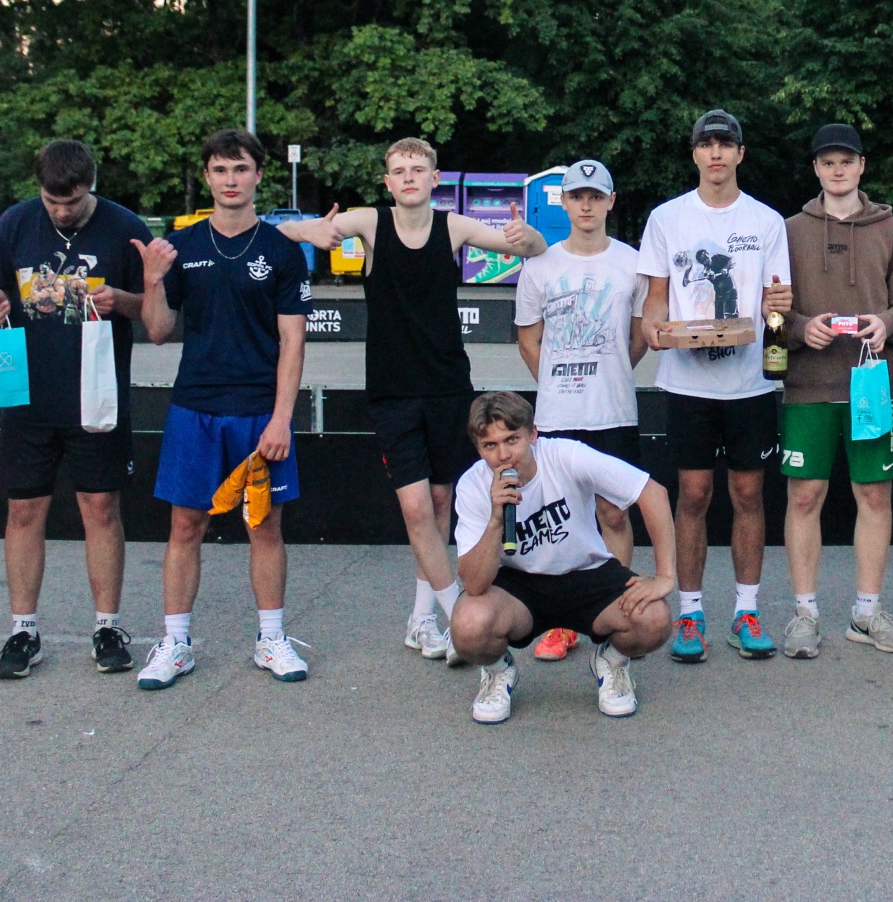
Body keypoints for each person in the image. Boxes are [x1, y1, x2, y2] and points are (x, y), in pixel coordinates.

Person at [277, 137, 544, 662]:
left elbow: (528, 248)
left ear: (434, 178)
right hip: (392, 392)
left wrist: (528, 235)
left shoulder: (454, 227)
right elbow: (283, 232)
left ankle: (421, 620)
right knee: (416, 506)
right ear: (387, 182)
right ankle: (455, 614)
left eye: (417, 169)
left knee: (441, 503)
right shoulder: (371, 223)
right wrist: (307, 230)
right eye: (398, 171)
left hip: (448, 388)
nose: (408, 178)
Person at [134, 129, 312, 689]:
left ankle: (271, 639)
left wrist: (282, 418)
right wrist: (152, 281)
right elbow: (158, 331)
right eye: (219, 170)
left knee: (264, 525)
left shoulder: (281, 250)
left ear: (258, 175)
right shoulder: (180, 247)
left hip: (259, 411)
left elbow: (293, 342)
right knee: (185, 524)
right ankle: (176, 643)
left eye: (240, 169)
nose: (230, 180)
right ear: (207, 177)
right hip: (196, 407)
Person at [0, 139, 153, 679]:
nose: (60, 211)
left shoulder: (125, 227)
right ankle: (23, 630)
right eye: (51, 202)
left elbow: (158, 311)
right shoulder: (15, 222)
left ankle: (107, 627)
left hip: (97, 395)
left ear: (90, 185)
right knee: (23, 511)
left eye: (71, 202)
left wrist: (122, 301)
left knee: (100, 509)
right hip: (28, 395)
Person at [637, 109, 793, 661]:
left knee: (748, 494)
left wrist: (779, 307)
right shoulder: (667, 218)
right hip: (686, 382)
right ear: (695, 154)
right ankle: (691, 612)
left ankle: (746, 610)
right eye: (708, 144)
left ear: (740, 153)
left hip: (748, 382)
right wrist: (654, 328)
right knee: (694, 494)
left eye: (726, 143)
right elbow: (656, 299)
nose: (717, 153)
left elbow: (777, 303)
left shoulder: (766, 221)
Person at [450, 392, 678, 722]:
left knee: (654, 619)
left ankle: (612, 662)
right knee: (468, 626)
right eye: (490, 445)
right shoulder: (473, 485)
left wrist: (665, 576)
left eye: (512, 439)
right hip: (519, 585)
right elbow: (473, 584)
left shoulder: (566, 455)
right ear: (479, 449)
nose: (503, 455)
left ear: (533, 434)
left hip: (586, 572)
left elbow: (651, 492)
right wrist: (496, 520)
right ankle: (498, 672)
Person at [777, 123, 893, 658]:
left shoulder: (892, 229)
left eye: (846, 161)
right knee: (804, 496)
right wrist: (798, 328)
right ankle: (805, 613)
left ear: (862, 166)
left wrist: (887, 323)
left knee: (874, 495)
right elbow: (771, 309)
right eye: (828, 162)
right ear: (816, 169)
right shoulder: (789, 230)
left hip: (872, 384)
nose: (838, 170)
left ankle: (868, 611)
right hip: (808, 384)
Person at [513, 157, 649, 663]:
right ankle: (563, 622)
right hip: (557, 416)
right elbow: (529, 342)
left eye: (595, 196)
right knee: (563, 519)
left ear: (611, 201)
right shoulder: (539, 266)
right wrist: (557, 385)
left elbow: (638, 337)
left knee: (614, 512)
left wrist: (609, 371)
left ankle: (614, 613)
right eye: (577, 196)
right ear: (565, 203)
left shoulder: (633, 263)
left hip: (614, 411)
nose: (586, 205)